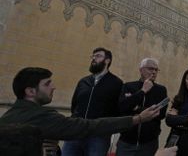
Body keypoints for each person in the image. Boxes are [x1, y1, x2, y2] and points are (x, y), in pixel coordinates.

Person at [0, 67, 161, 156]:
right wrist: (137, 118)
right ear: (30, 91)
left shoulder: (10, 115)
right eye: (47, 84)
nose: (54, 86)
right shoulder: (40, 116)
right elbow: (90, 126)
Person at [62, 47, 124, 156]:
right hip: (76, 132)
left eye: (98, 56)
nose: (94, 59)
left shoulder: (116, 83)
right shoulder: (83, 81)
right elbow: (74, 104)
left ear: (107, 60)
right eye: (93, 56)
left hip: (99, 136)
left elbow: (117, 109)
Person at [116, 58, 168, 156]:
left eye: (156, 70)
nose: (154, 72)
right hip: (126, 141)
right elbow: (122, 108)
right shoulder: (128, 86)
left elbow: (161, 114)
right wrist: (143, 91)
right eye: (150, 69)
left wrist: (136, 108)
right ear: (141, 70)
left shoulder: (161, 90)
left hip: (149, 143)